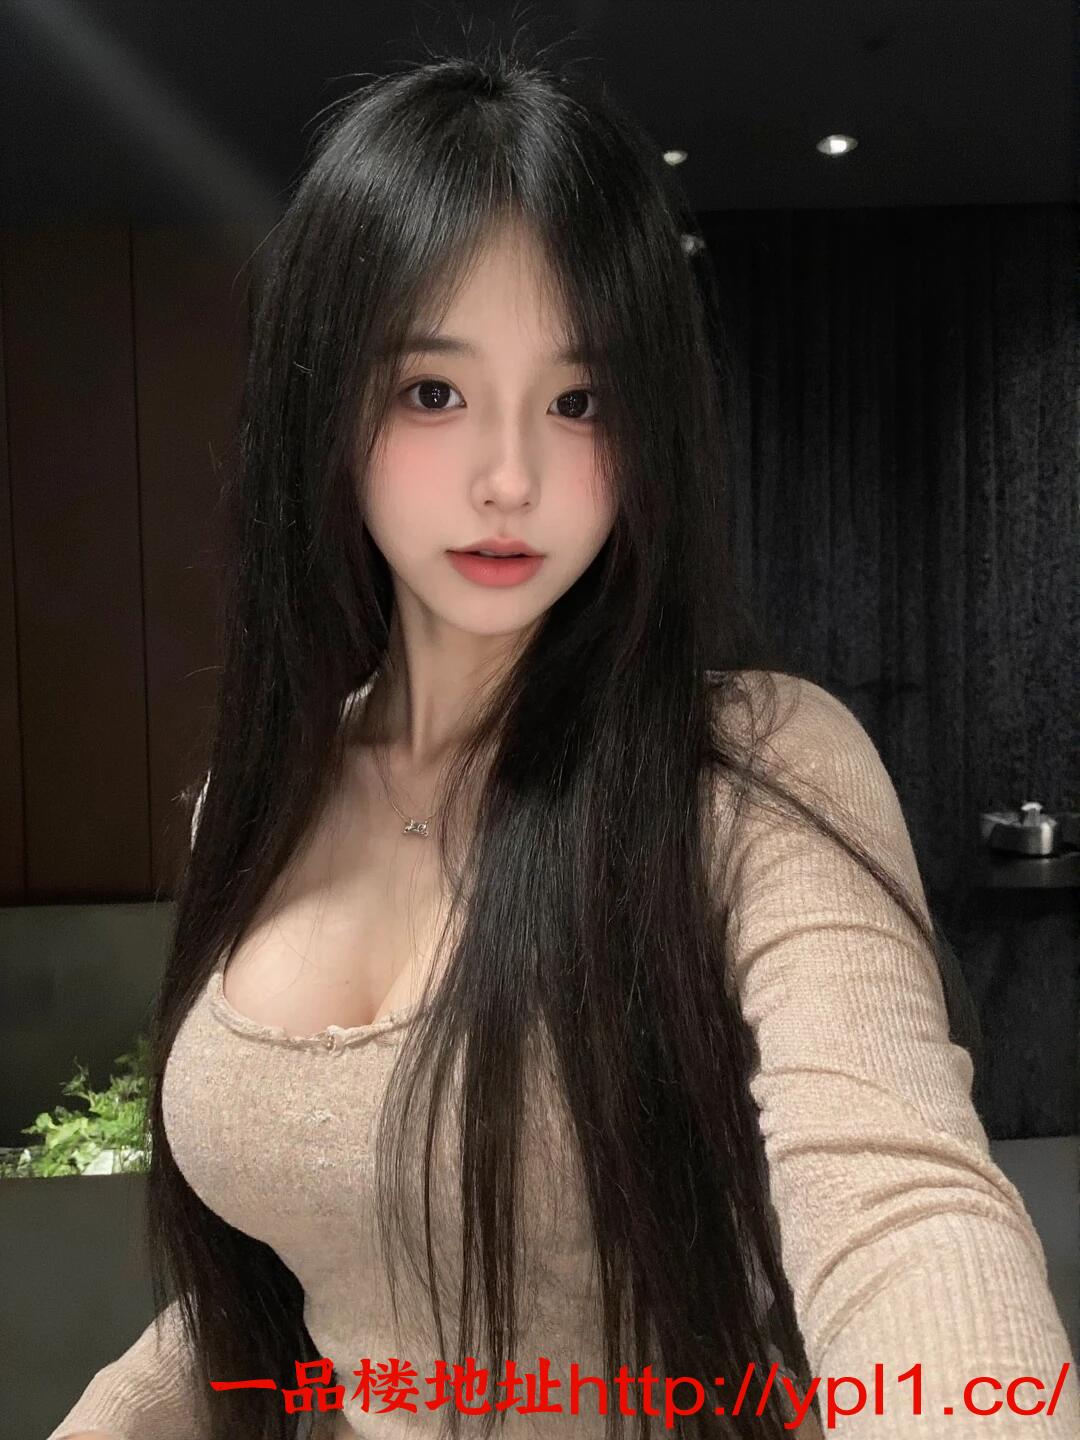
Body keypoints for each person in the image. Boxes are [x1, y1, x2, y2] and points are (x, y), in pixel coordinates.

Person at [49, 35, 1076, 1440]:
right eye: (433, 391)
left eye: (579, 401)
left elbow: (905, 1206)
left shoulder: (750, 770)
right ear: (325, 406)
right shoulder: (254, 797)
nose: (510, 478)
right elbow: (305, 1283)